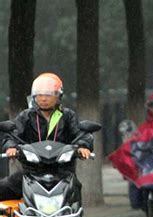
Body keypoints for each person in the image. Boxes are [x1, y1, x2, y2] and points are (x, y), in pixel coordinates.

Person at [0, 73, 93, 203]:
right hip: (31, 172)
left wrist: (83, 146)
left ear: (58, 96)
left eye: (48, 95)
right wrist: (10, 146)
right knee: (3, 188)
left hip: (63, 172)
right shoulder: (26, 116)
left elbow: (80, 134)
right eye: (40, 95)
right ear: (34, 96)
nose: (43, 99)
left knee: (75, 189)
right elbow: (13, 135)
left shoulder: (68, 116)